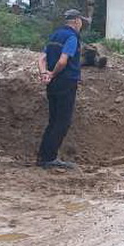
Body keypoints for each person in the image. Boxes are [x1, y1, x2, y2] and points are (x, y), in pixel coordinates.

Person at [36, 9, 89, 169]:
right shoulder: (72, 37)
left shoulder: (55, 36)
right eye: (81, 21)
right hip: (66, 82)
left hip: (52, 84)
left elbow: (42, 58)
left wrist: (45, 73)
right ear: (76, 21)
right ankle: (49, 158)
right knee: (63, 122)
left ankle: (43, 157)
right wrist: (53, 73)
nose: (81, 25)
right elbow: (63, 61)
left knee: (53, 120)